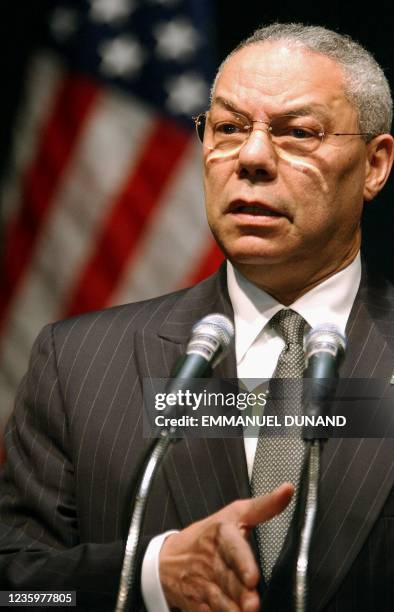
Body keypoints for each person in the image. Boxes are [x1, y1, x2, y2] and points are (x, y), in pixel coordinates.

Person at [0, 22, 393, 612]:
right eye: (229, 128)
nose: (252, 157)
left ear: (374, 165)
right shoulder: (78, 365)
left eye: (298, 133)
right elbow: (20, 595)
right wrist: (149, 578)